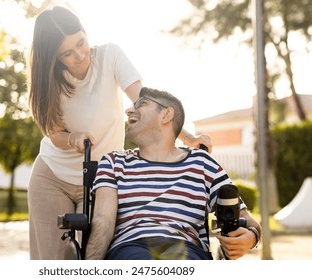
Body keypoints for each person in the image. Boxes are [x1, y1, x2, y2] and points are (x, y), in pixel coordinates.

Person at [27, 6, 212, 260]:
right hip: (52, 177)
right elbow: (53, 132)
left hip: (98, 179)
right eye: (67, 53)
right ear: (54, 57)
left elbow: (145, 102)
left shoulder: (109, 56)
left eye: (81, 42)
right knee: (50, 261)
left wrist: (187, 138)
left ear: (85, 32)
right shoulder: (48, 79)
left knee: (94, 254)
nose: (80, 55)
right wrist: (73, 138)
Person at [85, 87, 262, 260]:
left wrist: (251, 237)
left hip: (188, 251)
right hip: (132, 249)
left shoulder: (202, 163)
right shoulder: (113, 162)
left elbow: (248, 220)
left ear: (166, 115)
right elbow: (103, 221)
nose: (129, 110)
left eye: (141, 104)